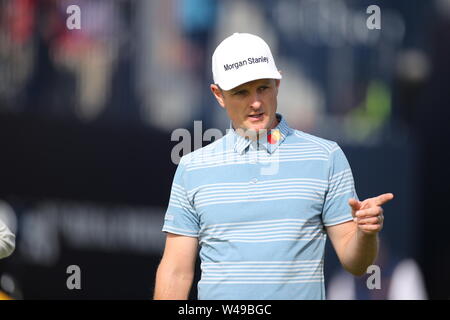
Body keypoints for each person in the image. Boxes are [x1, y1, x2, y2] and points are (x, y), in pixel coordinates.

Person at [154, 33, 394, 300]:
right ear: (219, 95)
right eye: (241, 92)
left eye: (263, 88)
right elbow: (175, 272)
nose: (255, 102)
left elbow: (356, 263)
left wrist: (365, 233)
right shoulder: (192, 168)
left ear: (277, 83)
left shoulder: (326, 156)